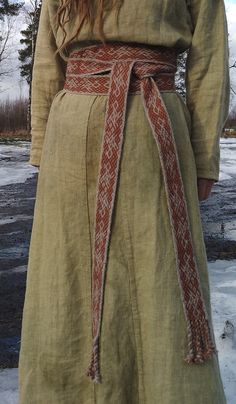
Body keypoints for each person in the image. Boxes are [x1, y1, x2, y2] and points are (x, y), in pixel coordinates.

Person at [18, 0, 230, 402]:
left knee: (158, 268)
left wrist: (205, 157)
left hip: (154, 127)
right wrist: (43, 145)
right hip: (71, 131)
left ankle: (164, 390)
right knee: (67, 271)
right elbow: (47, 59)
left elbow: (209, 58)